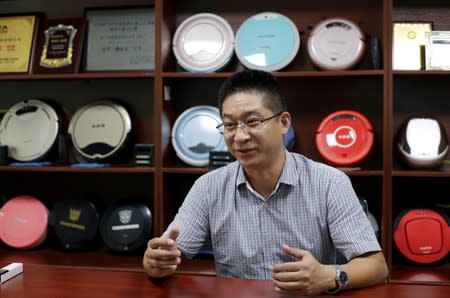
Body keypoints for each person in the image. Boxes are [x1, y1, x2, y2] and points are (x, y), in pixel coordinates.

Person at [143, 69, 388, 295]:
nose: (239, 136)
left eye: (252, 122)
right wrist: (156, 262)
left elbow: (377, 267)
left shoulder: (329, 183)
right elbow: (166, 256)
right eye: (229, 125)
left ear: (283, 123)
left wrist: (329, 275)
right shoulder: (208, 187)